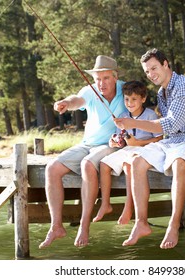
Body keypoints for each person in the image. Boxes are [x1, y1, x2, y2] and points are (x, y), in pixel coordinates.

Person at [114, 48, 185, 249]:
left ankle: (174, 224)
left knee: (178, 162)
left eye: (154, 68)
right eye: (147, 72)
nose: (151, 74)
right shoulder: (162, 92)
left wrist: (131, 123)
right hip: (175, 141)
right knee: (136, 160)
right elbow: (170, 131)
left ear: (165, 64)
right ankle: (141, 222)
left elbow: (170, 124)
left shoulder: (184, 85)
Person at [39, 55, 127, 248]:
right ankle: (56, 226)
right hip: (88, 143)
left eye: (105, 78)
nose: (101, 83)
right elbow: (76, 100)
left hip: (111, 145)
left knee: (87, 163)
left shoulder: (125, 89)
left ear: (115, 76)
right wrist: (65, 103)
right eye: (97, 79)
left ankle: (84, 226)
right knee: (52, 168)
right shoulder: (90, 90)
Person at [93, 81, 163, 225]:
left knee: (128, 165)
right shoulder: (123, 116)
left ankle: (128, 207)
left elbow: (160, 138)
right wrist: (115, 141)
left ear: (143, 99)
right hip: (128, 149)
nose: (129, 103)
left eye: (134, 99)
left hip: (146, 149)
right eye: (126, 99)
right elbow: (122, 138)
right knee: (104, 164)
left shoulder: (150, 115)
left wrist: (138, 143)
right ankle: (106, 203)